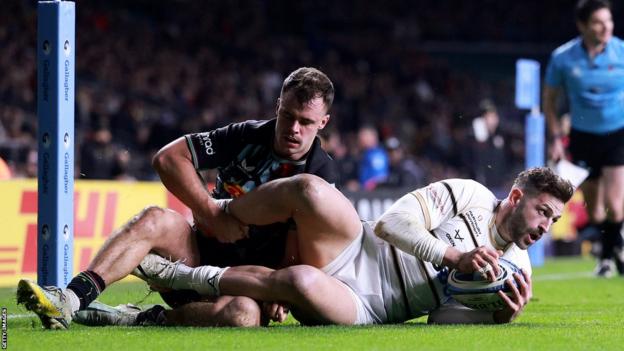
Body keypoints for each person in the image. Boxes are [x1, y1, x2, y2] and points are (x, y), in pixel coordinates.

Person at [17, 67, 339, 329]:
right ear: (278, 106)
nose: (294, 128)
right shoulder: (246, 135)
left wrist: (281, 292)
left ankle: (138, 319)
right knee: (154, 218)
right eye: (288, 116)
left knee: (244, 317)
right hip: (195, 253)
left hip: (246, 284)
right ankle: (70, 300)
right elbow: (168, 158)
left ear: (322, 123)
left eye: (306, 122)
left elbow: (304, 253)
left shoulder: (320, 176)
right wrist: (211, 213)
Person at [76, 167, 573, 326]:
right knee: (310, 188)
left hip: (368, 305)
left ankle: (176, 278)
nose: (546, 225)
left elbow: (441, 319)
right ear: (515, 197)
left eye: (554, 219)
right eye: (543, 211)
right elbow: (391, 224)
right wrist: (454, 257)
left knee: (296, 282)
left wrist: (492, 316)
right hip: (357, 247)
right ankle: (219, 217)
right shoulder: (468, 195)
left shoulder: (514, 271)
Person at [543, 0, 624, 277]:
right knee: (595, 211)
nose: (606, 27)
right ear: (582, 26)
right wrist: (555, 138)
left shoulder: (621, 52)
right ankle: (616, 247)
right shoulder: (563, 58)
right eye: (598, 22)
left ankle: (606, 261)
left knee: (616, 205)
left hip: (617, 135)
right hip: (582, 138)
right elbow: (550, 101)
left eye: (609, 20)